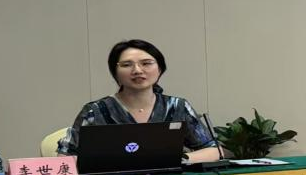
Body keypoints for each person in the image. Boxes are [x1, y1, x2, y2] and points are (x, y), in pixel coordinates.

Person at [57, 39, 222, 163]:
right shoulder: (95, 111)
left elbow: (213, 150)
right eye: (127, 65)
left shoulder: (177, 106)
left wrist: (179, 159)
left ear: (160, 69)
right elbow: (65, 157)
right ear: (115, 72)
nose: (137, 70)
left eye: (146, 63)